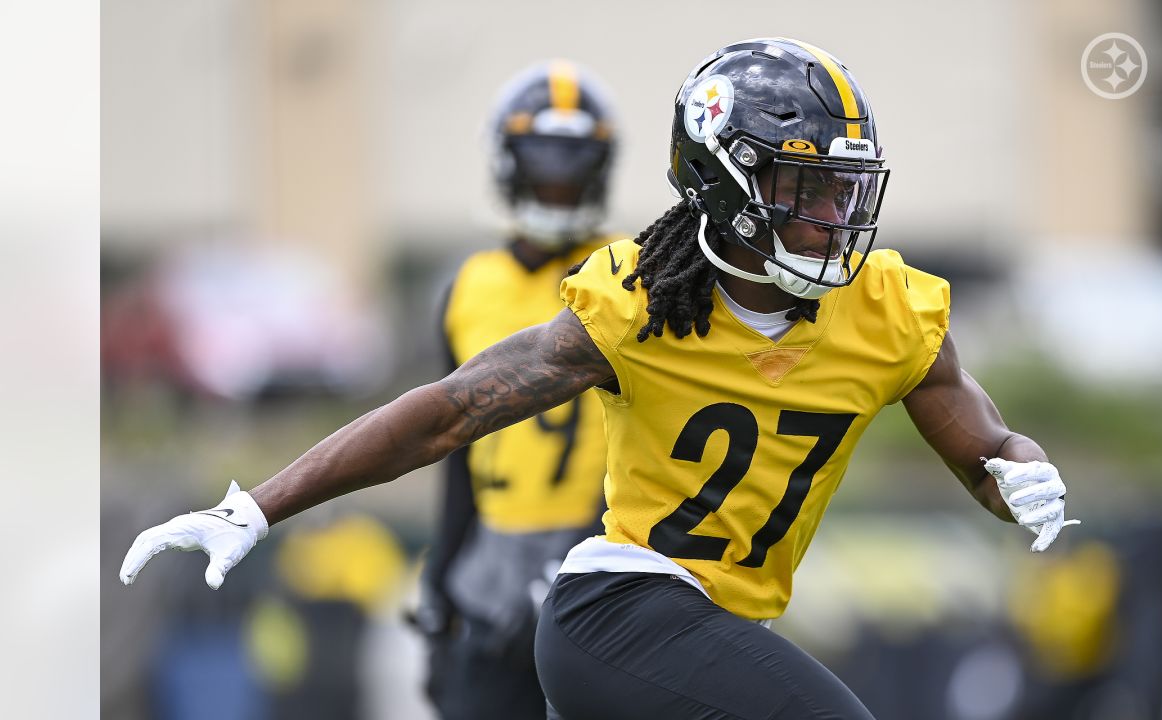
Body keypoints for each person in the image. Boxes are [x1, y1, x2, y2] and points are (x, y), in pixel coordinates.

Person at [120, 38, 1079, 719]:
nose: (834, 216)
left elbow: (987, 453)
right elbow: (447, 415)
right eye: (804, 189)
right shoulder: (636, 305)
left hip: (708, 630)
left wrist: (1024, 471)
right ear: (726, 184)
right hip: (620, 610)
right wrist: (255, 509)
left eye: (843, 188)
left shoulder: (892, 309)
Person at [415, 60, 622, 720]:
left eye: (574, 163)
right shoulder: (467, 287)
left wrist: (583, 556)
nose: (558, 182)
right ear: (508, 162)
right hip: (492, 559)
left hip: (601, 549)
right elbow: (452, 445)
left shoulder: (630, 270)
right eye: (542, 160)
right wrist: (441, 574)